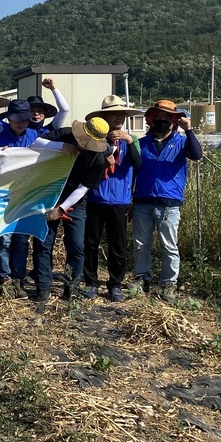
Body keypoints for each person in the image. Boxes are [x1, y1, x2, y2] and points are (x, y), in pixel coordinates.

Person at [30, 117, 111, 303]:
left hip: (75, 203)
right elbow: (36, 142)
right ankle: (43, 287)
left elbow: (83, 188)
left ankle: (71, 288)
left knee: (76, 247)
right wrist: (60, 147)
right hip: (48, 194)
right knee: (43, 243)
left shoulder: (98, 158)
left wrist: (61, 208)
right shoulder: (65, 134)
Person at [129, 100, 203, 303]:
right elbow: (132, 172)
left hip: (169, 203)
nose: (161, 123)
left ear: (174, 122)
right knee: (140, 244)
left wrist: (189, 130)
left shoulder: (182, 142)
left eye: (166, 119)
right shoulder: (141, 143)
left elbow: (196, 155)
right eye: (158, 119)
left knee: (169, 246)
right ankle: (141, 278)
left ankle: (168, 283)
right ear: (152, 121)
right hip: (142, 201)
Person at [83, 96, 143, 302]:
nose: (118, 117)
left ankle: (115, 284)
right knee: (90, 243)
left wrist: (128, 140)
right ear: (104, 116)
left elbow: (138, 164)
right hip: (94, 199)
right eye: (113, 114)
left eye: (122, 114)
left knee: (117, 246)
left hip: (120, 200)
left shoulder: (132, 140)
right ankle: (90, 281)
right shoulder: (95, 140)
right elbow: (85, 166)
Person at [0, 99, 42, 299]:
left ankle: (18, 277)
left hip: (27, 196)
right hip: (3, 196)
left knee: (21, 239)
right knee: (4, 238)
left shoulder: (36, 137)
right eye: (17, 119)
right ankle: (4, 277)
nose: (21, 123)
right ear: (8, 119)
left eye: (25, 120)